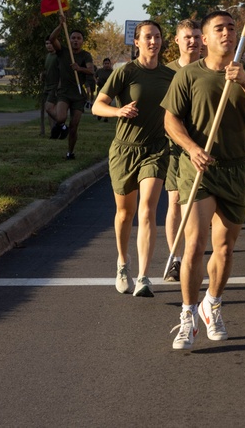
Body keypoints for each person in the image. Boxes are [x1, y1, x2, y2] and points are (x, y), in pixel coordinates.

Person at [163, 10, 245, 350]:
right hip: (198, 167)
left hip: (236, 167)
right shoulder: (189, 75)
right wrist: (191, 147)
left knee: (226, 248)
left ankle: (211, 303)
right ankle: (187, 316)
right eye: (220, 28)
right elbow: (171, 120)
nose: (228, 32)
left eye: (232, 27)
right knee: (196, 243)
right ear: (205, 38)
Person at [91, 21, 174, 298]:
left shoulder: (169, 75)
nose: (153, 41)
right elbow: (97, 105)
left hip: (156, 148)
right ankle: (123, 263)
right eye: (147, 37)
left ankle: (143, 276)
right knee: (125, 213)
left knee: (148, 210)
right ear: (136, 42)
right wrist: (118, 111)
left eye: (157, 37)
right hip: (125, 149)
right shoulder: (125, 71)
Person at [162, 19, 202, 282]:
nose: (192, 41)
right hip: (176, 148)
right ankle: (176, 258)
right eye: (187, 37)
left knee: (202, 206)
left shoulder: (211, 69)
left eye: (197, 37)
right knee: (175, 200)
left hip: (207, 147)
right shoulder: (167, 73)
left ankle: (194, 250)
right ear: (177, 40)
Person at [48, 15, 95, 159]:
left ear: (82, 41)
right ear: (69, 40)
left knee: (74, 126)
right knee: (61, 117)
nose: (75, 40)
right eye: (73, 38)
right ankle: (60, 126)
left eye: (78, 38)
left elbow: (91, 71)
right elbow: (52, 39)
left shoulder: (86, 55)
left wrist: (79, 69)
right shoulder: (62, 51)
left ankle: (70, 152)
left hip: (79, 94)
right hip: (64, 92)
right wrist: (61, 26)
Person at [42, 39, 59, 135]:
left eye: (51, 43)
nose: (49, 45)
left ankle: (60, 126)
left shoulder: (58, 56)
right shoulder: (48, 56)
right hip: (47, 86)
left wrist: (58, 87)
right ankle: (53, 130)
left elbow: (61, 72)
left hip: (55, 86)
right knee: (48, 110)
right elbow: (48, 70)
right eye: (47, 43)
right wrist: (43, 74)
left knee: (51, 108)